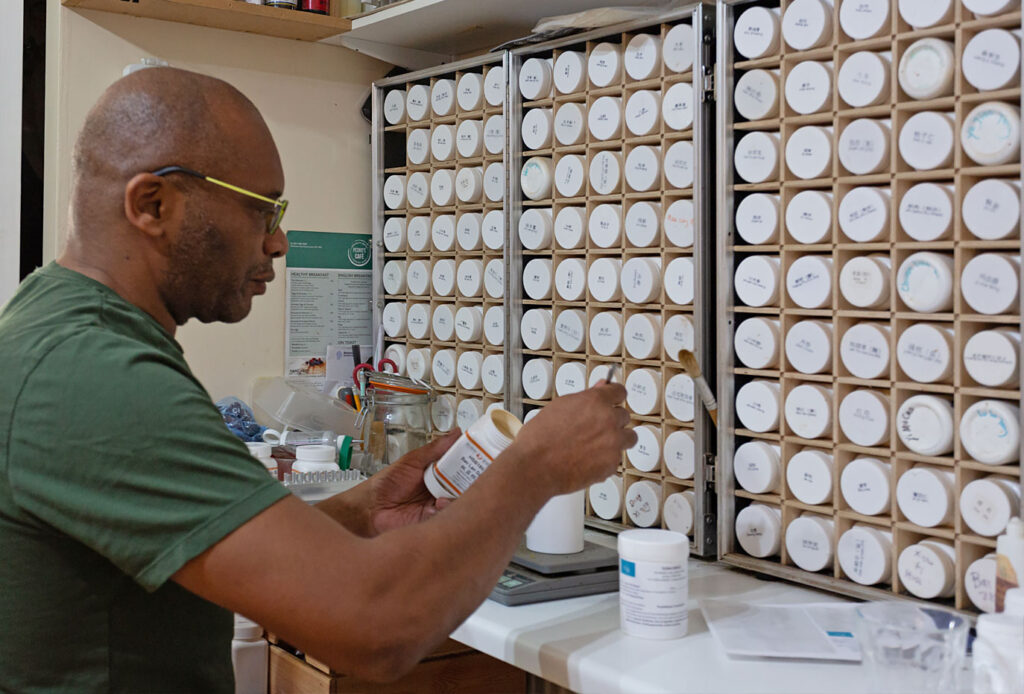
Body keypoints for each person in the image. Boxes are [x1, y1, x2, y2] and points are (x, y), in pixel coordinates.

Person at [0, 67, 634, 692]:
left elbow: (213, 541)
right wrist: (536, 468)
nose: (278, 242)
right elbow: (376, 627)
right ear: (153, 204)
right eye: (262, 211)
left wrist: (363, 513)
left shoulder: (57, 325)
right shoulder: (97, 375)